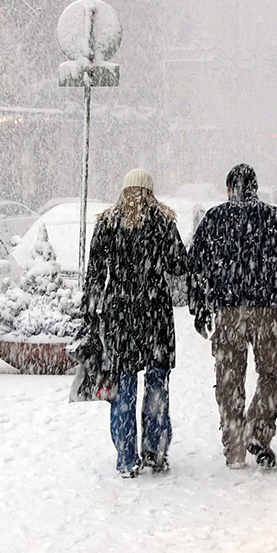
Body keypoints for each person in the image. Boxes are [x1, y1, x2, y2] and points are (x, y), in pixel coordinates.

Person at [186, 164, 277, 470]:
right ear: (255, 187)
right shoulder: (273, 218)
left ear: (229, 189)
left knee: (229, 383)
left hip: (228, 314)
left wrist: (198, 306)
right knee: (274, 377)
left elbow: (195, 265)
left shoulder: (215, 219)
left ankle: (235, 448)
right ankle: (257, 427)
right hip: (265, 313)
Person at [82, 168, 187, 478]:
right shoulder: (163, 223)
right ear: (150, 191)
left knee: (123, 388)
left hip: (120, 318)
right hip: (155, 315)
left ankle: (126, 457)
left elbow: (95, 274)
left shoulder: (107, 224)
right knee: (157, 387)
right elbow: (179, 265)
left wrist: (90, 312)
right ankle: (155, 452)